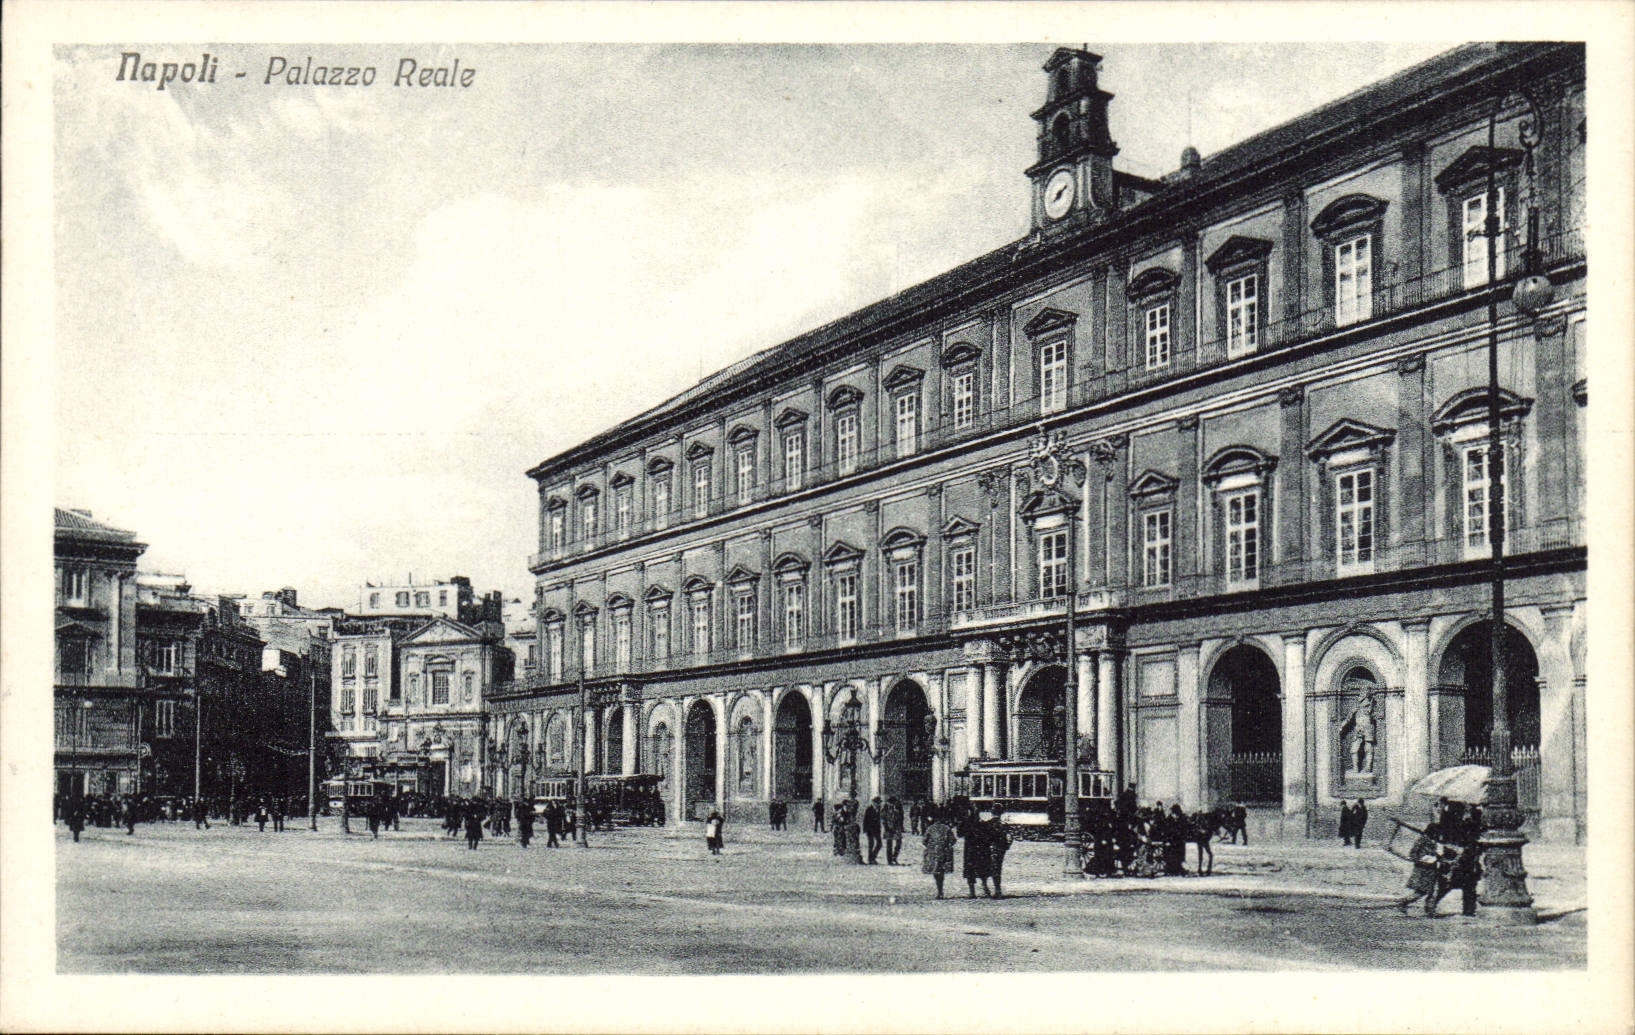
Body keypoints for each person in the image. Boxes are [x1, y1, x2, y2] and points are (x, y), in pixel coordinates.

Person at [1397, 816, 1447, 915]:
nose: (1439, 835)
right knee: (1422, 891)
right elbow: (1413, 854)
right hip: (1423, 869)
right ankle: (1404, 902)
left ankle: (1429, 910)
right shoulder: (1422, 840)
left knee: (1431, 891)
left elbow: (1434, 854)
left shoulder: (1433, 842)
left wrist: (1438, 858)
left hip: (1431, 869)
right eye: (1437, 833)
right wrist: (1421, 860)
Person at [921, 806, 956, 899]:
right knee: (941, 872)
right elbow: (953, 840)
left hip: (933, 853)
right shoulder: (946, 828)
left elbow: (924, 841)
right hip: (944, 853)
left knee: (936, 872)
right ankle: (940, 890)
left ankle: (939, 890)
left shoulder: (930, 828)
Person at [960, 811, 994, 897]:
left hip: (970, 850)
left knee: (970, 870)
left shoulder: (967, 825)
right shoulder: (984, 825)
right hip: (982, 850)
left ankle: (972, 891)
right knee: (983, 869)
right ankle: (984, 886)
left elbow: (959, 833)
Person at [985, 813, 1012, 898]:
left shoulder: (987, 824)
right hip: (1000, 848)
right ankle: (997, 889)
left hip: (988, 848)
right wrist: (1007, 846)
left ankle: (986, 887)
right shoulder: (1004, 824)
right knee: (997, 868)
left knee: (988, 867)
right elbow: (1010, 837)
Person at [882, 796, 905, 865]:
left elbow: (900, 818)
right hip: (888, 829)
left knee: (899, 843)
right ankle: (889, 860)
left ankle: (894, 857)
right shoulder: (885, 810)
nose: (892, 804)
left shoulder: (897, 810)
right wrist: (887, 828)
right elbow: (883, 820)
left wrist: (901, 827)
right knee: (889, 844)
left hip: (896, 828)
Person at [863, 797, 883, 864]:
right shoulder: (869, 809)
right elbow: (865, 820)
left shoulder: (879, 809)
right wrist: (865, 829)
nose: (878, 804)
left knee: (879, 844)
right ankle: (870, 859)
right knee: (871, 844)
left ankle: (872, 857)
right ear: (874, 803)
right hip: (870, 830)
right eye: (877, 803)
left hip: (877, 829)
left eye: (879, 803)